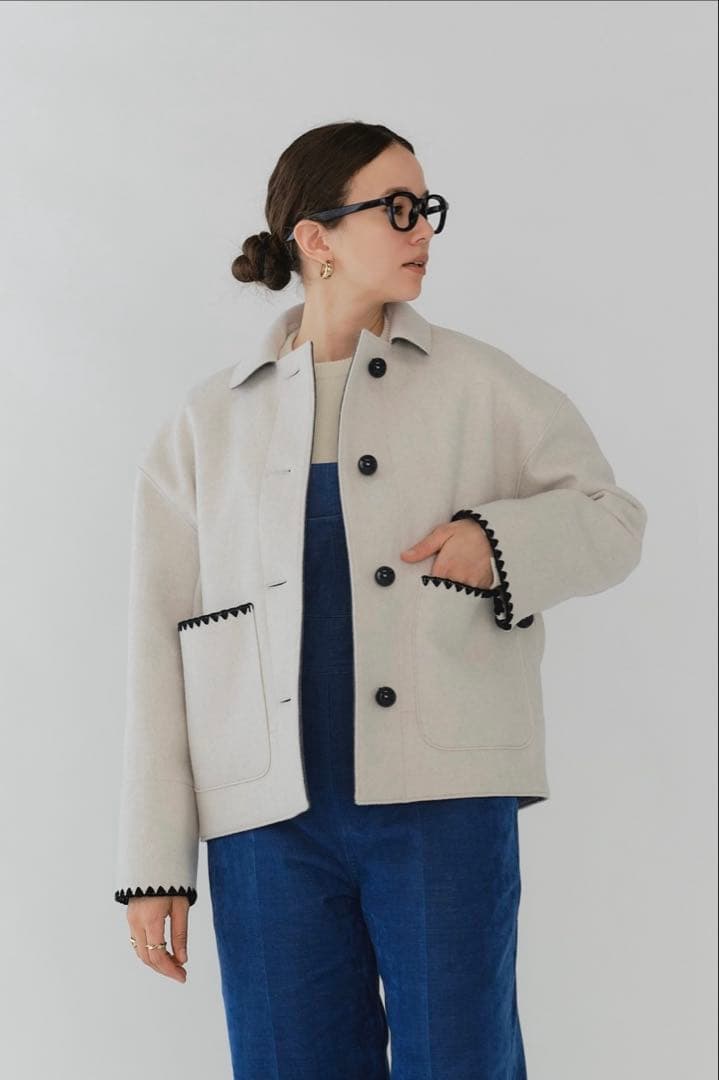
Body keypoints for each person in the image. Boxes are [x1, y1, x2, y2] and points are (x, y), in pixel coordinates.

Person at [115, 120, 647, 1078]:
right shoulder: (208, 424)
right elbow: (159, 648)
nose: (422, 229)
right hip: (265, 826)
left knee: (462, 1062)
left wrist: (497, 542)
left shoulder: (479, 386)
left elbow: (612, 520)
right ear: (314, 237)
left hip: (442, 806)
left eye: (426, 208)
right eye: (396, 208)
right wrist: (155, 864)